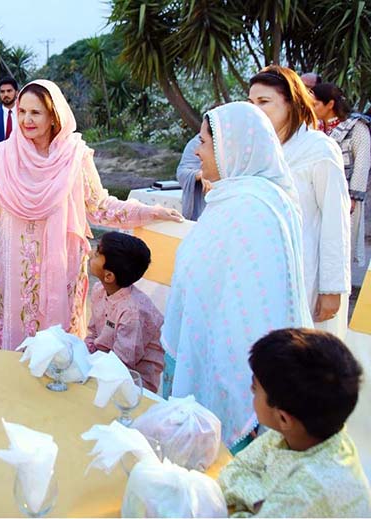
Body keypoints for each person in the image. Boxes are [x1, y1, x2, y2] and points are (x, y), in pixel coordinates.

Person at [0, 80, 182, 351]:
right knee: (10, 352)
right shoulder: (2, 158)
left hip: (61, 272)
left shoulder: (75, 157)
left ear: (54, 116)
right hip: (10, 274)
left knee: (57, 356)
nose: (26, 120)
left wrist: (150, 212)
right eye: (22, 112)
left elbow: (99, 206)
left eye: (36, 112)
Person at [162, 102, 312, 453]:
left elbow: (253, 306)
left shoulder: (252, 209)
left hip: (236, 358)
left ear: (231, 147)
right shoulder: (238, 198)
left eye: (203, 141)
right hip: (214, 338)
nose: (197, 150)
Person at [218, 328, 370, 517]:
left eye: (255, 389)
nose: (251, 391)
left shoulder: (309, 490)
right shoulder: (298, 432)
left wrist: (259, 502)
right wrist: (261, 501)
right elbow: (235, 470)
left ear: (283, 418)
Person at [249, 66, 351, 336]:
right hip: (259, 271)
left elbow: (335, 219)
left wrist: (332, 287)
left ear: (291, 103)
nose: (256, 110)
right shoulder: (257, 151)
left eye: (264, 102)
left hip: (305, 270)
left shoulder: (319, 148)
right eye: (251, 103)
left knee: (301, 356)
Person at [86, 232, 164, 393]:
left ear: (108, 276)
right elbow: (93, 334)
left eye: (99, 252)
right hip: (103, 367)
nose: (93, 251)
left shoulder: (132, 313)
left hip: (134, 386)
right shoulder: (99, 290)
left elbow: (122, 363)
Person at [312, 82, 371, 267]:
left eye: (315, 104)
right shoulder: (313, 127)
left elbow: (362, 164)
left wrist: (353, 197)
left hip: (345, 196)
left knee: (342, 245)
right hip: (316, 193)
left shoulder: (356, 127)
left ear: (330, 104)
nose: (312, 108)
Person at [176, 135, 207, 220]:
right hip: (202, 204)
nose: (197, 152)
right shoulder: (196, 142)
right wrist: (198, 175)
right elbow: (182, 172)